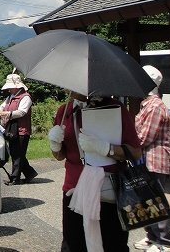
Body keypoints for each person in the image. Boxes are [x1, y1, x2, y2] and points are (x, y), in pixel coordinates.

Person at [49, 90, 142, 251]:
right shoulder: (65, 111)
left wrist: (106, 148)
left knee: (112, 244)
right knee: (73, 244)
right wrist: (54, 145)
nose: (66, 88)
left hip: (109, 191)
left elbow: (135, 152)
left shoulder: (115, 108)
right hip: (73, 189)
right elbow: (59, 156)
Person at [133, 66, 170, 252]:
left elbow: (144, 137)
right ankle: (152, 237)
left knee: (156, 200)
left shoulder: (156, 106)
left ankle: (166, 243)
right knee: (146, 199)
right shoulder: (147, 105)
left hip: (154, 160)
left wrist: (127, 142)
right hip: (146, 160)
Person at [0, 71, 38, 185]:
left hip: (21, 130)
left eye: (11, 87)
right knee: (16, 153)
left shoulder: (26, 97)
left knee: (17, 154)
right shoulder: (10, 97)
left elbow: (21, 112)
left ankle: (15, 178)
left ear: (17, 86)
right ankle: (29, 173)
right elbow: (1, 107)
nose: (9, 90)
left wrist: (5, 114)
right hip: (12, 130)